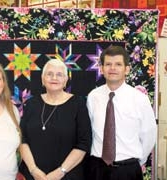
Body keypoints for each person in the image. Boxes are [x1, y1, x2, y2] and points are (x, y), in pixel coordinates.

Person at [86, 45, 157, 180]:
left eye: (118, 64)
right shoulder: (93, 97)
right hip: (97, 169)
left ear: (127, 69)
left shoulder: (139, 99)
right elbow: (89, 131)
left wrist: (135, 162)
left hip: (127, 170)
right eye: (108, 64)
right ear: (101, 69)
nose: (112, 68)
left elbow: (148, 135)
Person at [19, 59, 92, 180]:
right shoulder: (31, 104)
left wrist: (60, 172)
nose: (54, 78)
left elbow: (83, 144)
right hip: (33, 176)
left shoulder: (78, 104)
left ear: (65, 80)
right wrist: (33, 170)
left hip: (68, 175)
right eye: (49, 74)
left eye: (59, 74)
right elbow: (22, 139)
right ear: (43, 79)